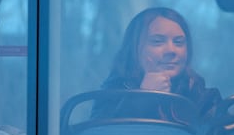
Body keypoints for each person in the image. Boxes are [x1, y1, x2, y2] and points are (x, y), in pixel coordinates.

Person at [91, 7, 222, 126]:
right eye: (157, 42)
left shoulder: (205, 99)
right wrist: (142, 100)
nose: (171, 50)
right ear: (134, 49)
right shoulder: (110, 96)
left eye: (178, 42)